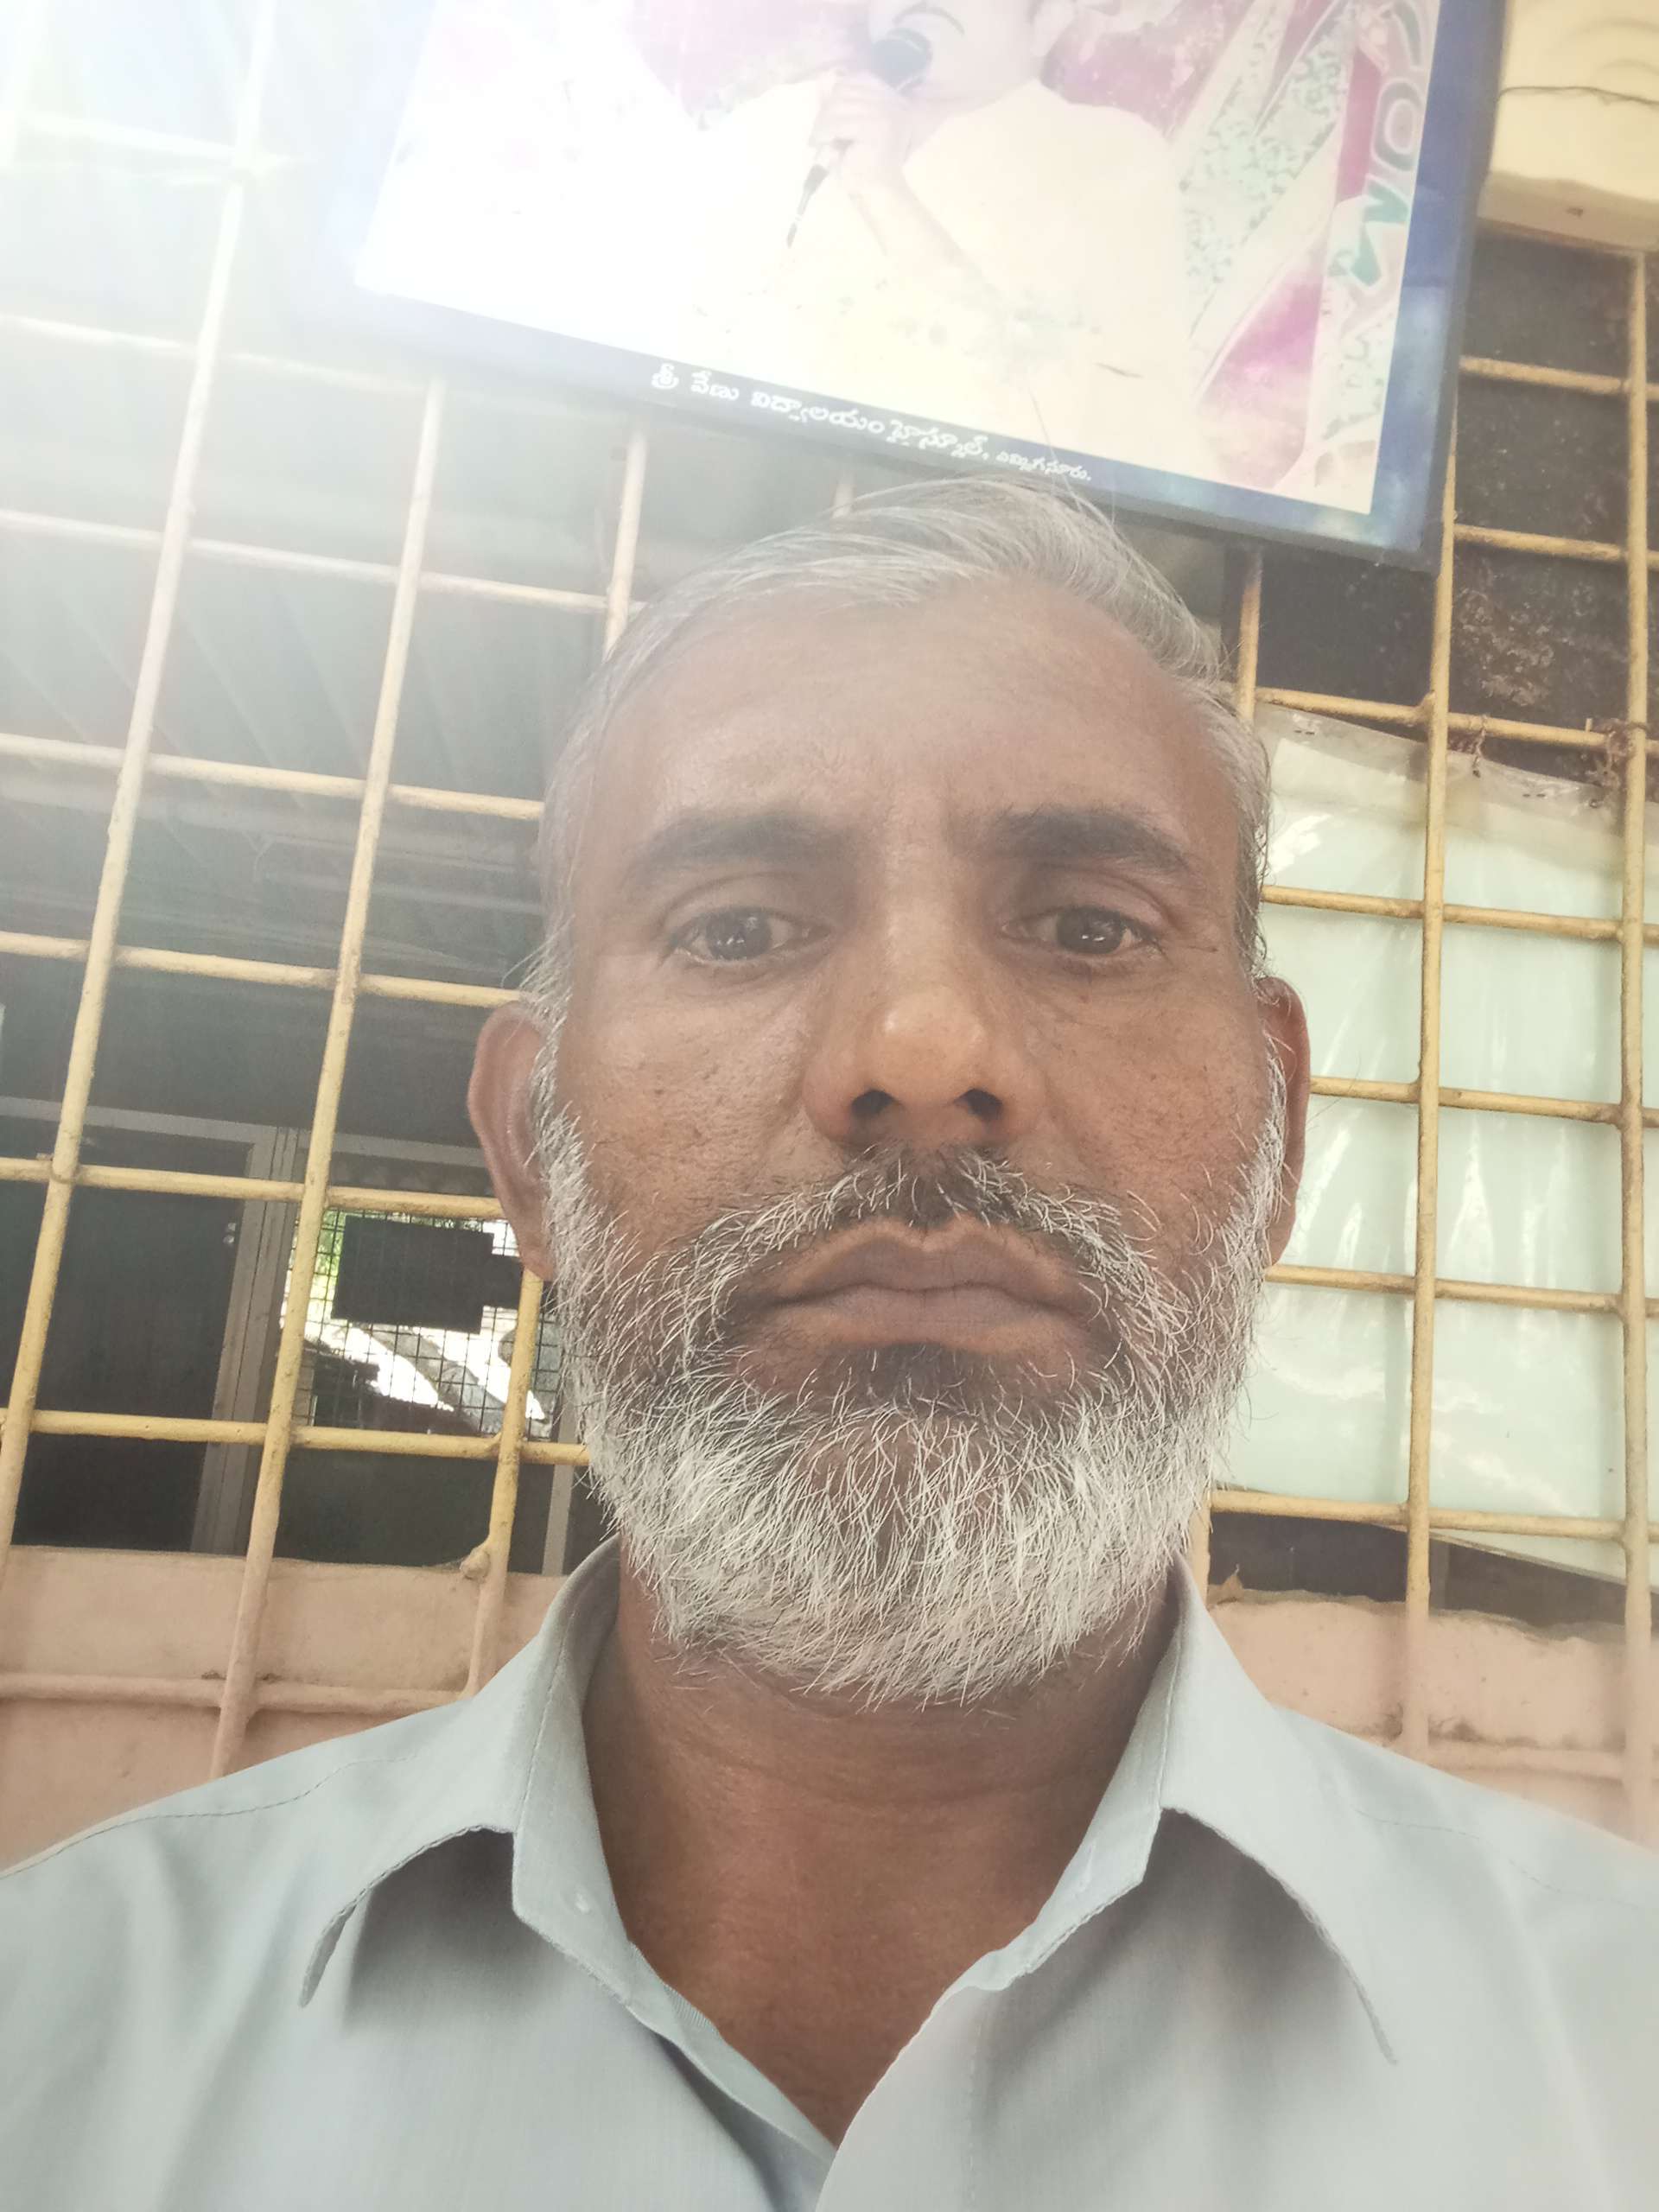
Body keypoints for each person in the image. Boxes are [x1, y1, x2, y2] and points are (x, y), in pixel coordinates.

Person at [2, 480, 1654, 2209]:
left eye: (1090, 926)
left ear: (1281, 1136)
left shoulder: (1618, 2062)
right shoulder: (57, 2052)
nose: (922, 1052)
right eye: (736, 926)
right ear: (528, 1150)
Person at [357, 0, 1203, 474]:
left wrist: (882, 189)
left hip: (958, 560)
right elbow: (658, 306)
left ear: (1051, 17)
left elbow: (1079, 423)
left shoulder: (1108, 161)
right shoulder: (786, 118)